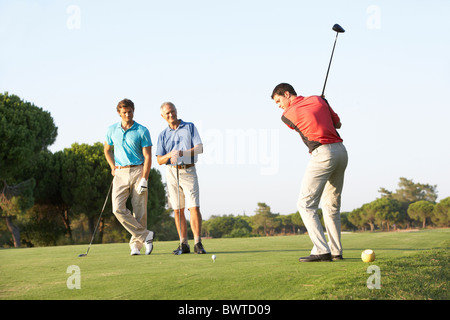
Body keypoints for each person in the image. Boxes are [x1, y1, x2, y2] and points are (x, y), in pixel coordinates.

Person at [271, 83, 348, 262]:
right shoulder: (319, 100)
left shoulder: (286, 116)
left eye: (279, 101)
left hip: (323, 154)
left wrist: (318, 105)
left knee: (305, 204)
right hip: (341, 152)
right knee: (331, 206)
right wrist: (323, 103)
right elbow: (338, 123)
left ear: (287, 94)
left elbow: (298, 124)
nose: (279, 106)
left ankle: (321, 250)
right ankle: (336, 252)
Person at [104, 98, 155, 256]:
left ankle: (136, 246)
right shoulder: (112, 130)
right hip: (119, 173)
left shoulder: (142, 130)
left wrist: (144, 178)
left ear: (133, 111)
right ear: (119, 113)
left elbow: (148, 157)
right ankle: (146, 235)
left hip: (138, 171)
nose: (127, 115)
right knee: (117, 208)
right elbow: (107, 150)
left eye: (130, 112)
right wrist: (112, 167)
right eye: (124, 112)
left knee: (139, 211)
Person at [156, 102, 206, 254]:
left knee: (194, 207)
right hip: (171, 173)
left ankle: (198, 243)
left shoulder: (189, 127)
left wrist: (181, 153)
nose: (171, 115)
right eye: (167, 113)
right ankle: (183, 244)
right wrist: (169, 155)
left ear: (176, 111)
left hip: (188, 170)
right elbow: (159, 160)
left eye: (172, 112)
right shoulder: (162, 135)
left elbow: (200, 148)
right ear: (162, 116)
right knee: (177, 210)